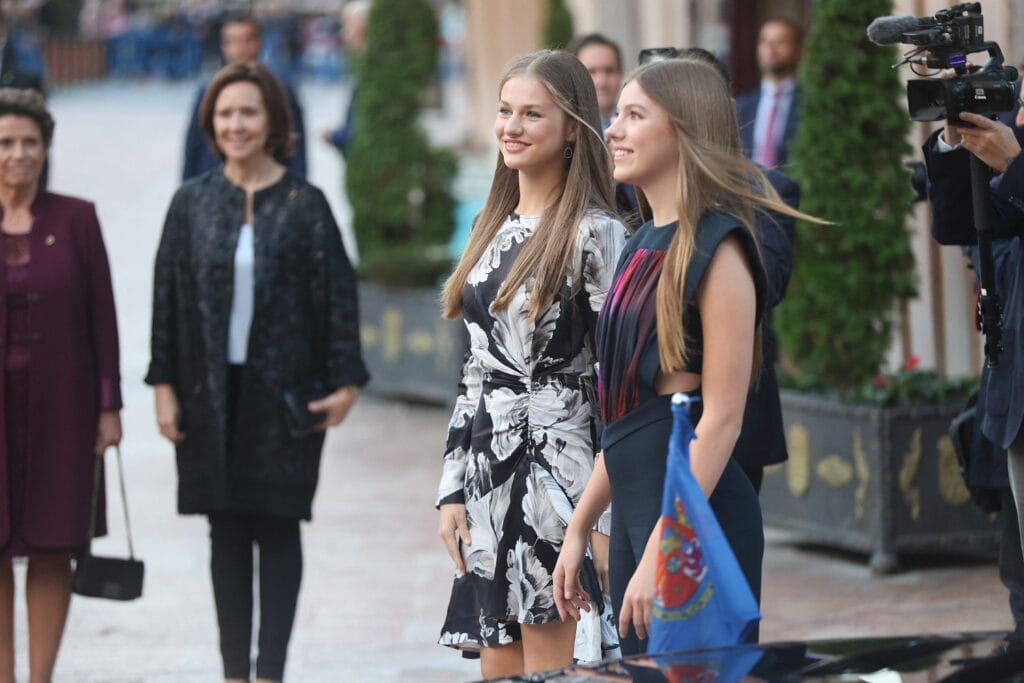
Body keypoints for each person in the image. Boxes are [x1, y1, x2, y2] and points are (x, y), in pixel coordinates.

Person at [552, 57, 817, 656]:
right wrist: (578, 526)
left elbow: (720, 418)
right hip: (639, 517)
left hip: (695, 522)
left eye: (634, 115)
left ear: (684, 130)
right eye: (615, 114)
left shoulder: (720, 248)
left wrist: (664, 551)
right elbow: (625, 417)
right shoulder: (640, 242)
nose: (612, 129)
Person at [147, 62, 368, 683]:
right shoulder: (191, 203)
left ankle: (269, 671)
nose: (236, 124)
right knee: (225, 528)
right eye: (224, 114)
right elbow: (166, 301)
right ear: (209, 126)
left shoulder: (306, 204)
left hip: (287, 394)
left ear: (272, 120)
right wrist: (163, 389)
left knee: (278, 524)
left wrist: (347, 382)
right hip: (210, 392)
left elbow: (338, 298)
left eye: (248, 112)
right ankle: (232, 673)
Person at [435, 49, 628, 677]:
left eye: (531, 115)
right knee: (499, 669)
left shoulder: (597, 233)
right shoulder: (489, 227)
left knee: (555, 668)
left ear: (573, 126)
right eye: (504, 111)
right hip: (490, 476)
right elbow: (473, 373)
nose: (511, 127)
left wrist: (602, 519)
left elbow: (618, 382)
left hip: (563, 476)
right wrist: (451, 488)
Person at [0, 88, 122, 682]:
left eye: (29, 142)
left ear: (45, 150)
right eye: (5, 143)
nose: (17, 154)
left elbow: (104, 315)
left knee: (53, 541)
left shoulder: (76, 217)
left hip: (62, 409)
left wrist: (109, 405)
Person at [923, 90, 1024, 642]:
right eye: (1020, 104)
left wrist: (1015, 164)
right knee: (1020, 578)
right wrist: (954, 143)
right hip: (1018, 402)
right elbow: (959, 225)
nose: (1021, 118)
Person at [678, 46, 799, 492]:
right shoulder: (631, 194)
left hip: (736, 423)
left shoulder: (768, 191)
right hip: (644, 424)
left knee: (727, 557)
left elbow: (768, 284)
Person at [182, 12, 306, 181]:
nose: (240, 48)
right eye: (232, 41)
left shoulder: (280, 90)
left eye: (246, 40)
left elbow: (296, 147)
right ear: (223, 46)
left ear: (258, 43)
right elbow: (194, 147)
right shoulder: (208, 91)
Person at [735, 18, 804, 168]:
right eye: (765, 42)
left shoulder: (809, 105)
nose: (771, 49)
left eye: (781, 42)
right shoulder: (742, 106)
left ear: (798, 50)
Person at [320, 0, 370, 156]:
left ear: (362, 29)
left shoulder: (373, 70)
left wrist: (335, 136)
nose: (344, 34)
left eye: (347, 26)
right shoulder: (361, 65)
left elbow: (362, 132)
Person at [568, 33, 623, 132]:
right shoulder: (564, 131)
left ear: (621, 74)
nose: (602, 81)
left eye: (609, 70)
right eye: (591, 71)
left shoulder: (637, 127)